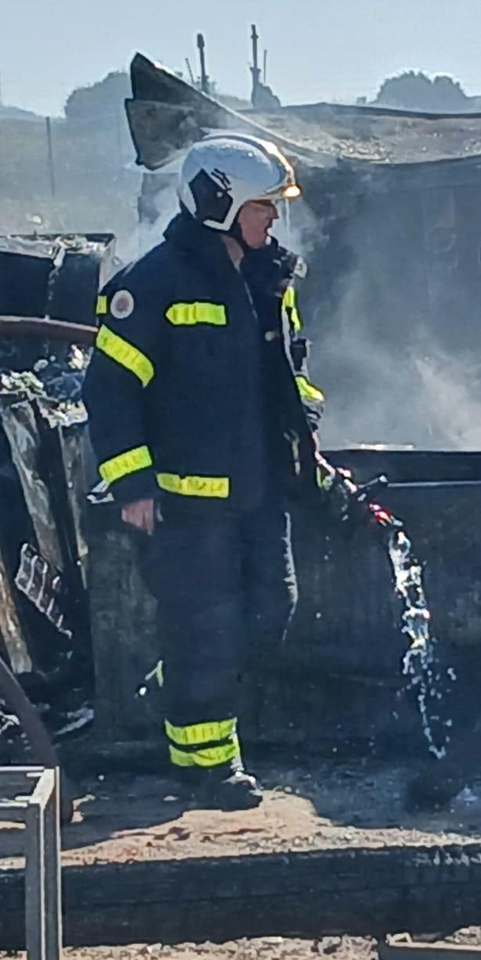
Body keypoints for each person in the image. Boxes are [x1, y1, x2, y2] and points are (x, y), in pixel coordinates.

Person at [84, 134, 323, 810]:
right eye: (262, 206)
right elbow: (109, 391)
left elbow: (290, 374)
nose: (273, 219)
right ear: (219, 205)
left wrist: (308, 439)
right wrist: (133, 485)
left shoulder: (271, 277)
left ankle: (178, 691)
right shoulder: (152, 284)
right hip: (186, 506)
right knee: (206, 633)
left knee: (272, 611)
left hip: (259, 490)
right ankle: (207, 767)